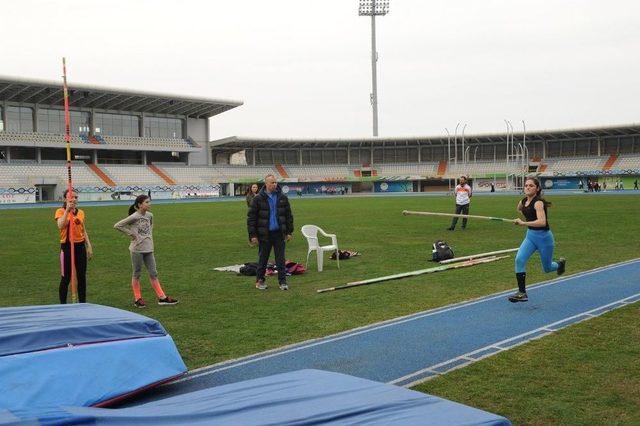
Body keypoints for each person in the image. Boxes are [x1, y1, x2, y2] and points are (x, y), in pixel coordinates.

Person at [114, 195, 178, 308]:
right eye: (147, 202)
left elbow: (150, 227)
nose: (149, 204)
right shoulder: (134, 216)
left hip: (149, 248)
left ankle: (162, 298)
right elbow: (117, 225)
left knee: (153, 273)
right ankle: (137, 299)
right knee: (137, 274)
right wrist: (131, 234)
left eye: (149, 202)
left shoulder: (150, 215)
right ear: (139, 205)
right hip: (137, 249)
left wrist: (148, 238)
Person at [508, 177, 566, 303]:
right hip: (530, 236)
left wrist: (523, 223)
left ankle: (560, 264)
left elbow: (542, 222)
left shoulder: (538, 203)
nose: (527, 187)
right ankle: (522, 293)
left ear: (537, 188)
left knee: (547, 268)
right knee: (519, 259)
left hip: (544, 238)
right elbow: (519, 208)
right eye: (526, 185)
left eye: (531, 186)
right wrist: (520, 215)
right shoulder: (522, 201)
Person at [247, 174, 294, 290]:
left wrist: (289, 232)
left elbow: (288, 216)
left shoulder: (282, 197)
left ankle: (282, 282)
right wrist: (253, 235)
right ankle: (260, 281)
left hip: (279, 233)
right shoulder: (258, 199)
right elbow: (251, 218)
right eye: (272, 182)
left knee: (280, 259)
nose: (275, 184)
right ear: (266, 184)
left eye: (275, 182)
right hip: (264, 234)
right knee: (263, 259)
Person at [55, 189, 93, 303]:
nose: (74, 199)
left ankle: (82, 303)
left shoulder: (81, 212)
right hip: (67, 247)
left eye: (76, 197)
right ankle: (62, 305)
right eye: (71, 197)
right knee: (66, 277)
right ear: (65, 198)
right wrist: (67, 210)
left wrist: (89, 245)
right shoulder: (60, 211)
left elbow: (83, 229)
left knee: (81, 277)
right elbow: (61, 225)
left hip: (80, 247)